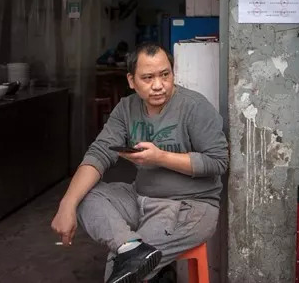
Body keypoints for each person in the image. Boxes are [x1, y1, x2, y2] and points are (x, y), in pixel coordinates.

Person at [51, 42, 228, 283]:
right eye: (148, 78)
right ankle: (129, 246)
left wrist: (160, 157)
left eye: (165, 75)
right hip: (140, 198)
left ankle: (129, 254)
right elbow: (99, 153)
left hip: (189, 206)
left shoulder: (194, 107)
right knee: (83, 195)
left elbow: (218, 162)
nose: (158, 85)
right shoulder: (126, 108)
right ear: (131, 81)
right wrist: (66, 204)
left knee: (121, 270)